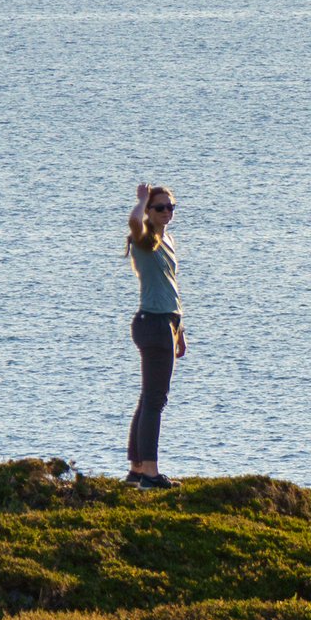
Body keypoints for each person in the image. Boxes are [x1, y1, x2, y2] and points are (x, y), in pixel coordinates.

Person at [123, 181, 187, 485]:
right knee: (155, 400)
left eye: (170, 207)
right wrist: (141, 200)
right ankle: (149, 471)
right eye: (159, 207)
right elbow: (134, 221)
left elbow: (171, 287)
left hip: (167, 324)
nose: (166, 212)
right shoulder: (145, 239)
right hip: (153, 323)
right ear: (149, 211)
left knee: (149, 398)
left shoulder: (168, 240)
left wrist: (181, 331)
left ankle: (137, 469)